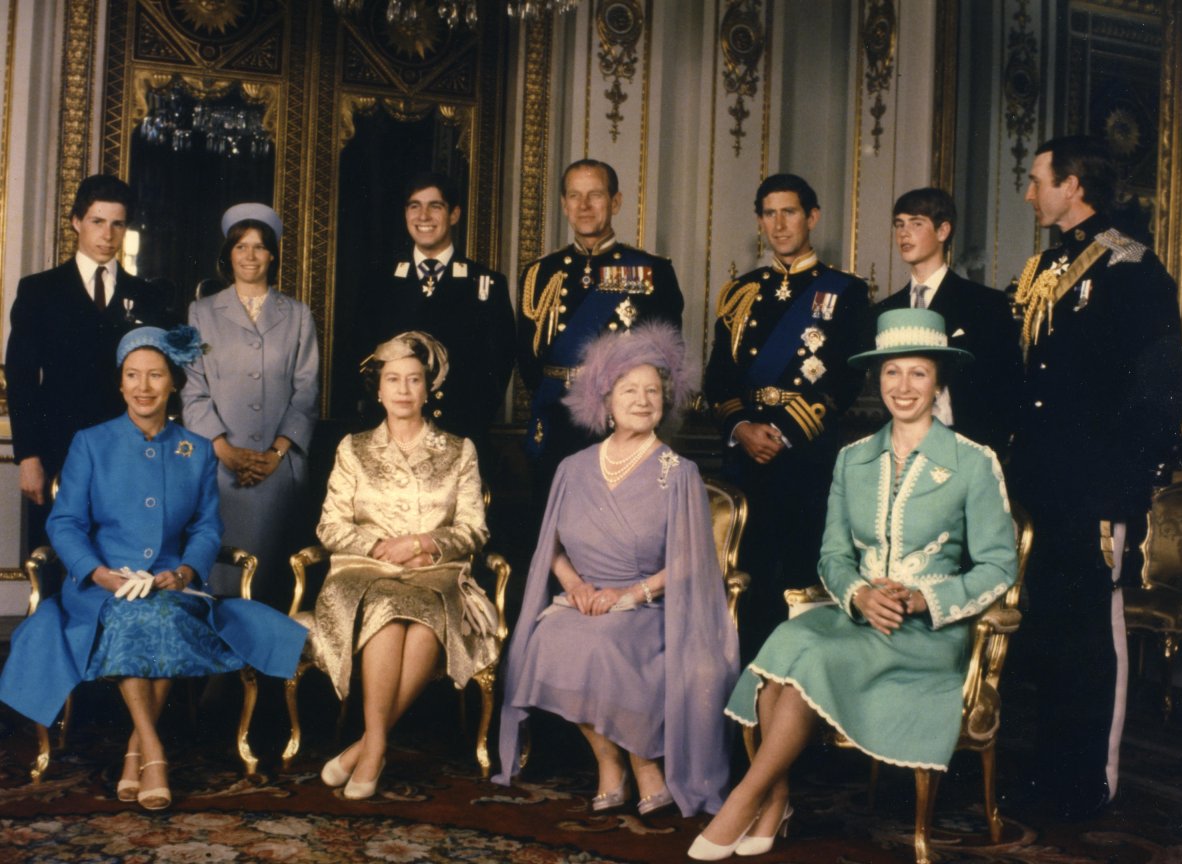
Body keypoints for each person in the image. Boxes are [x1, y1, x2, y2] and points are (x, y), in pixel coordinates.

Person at [689, 308, 1017, 860]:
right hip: (857, 617)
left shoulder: (973, 462)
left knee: (807, 660)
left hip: (927, 635)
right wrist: (860, 595)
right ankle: (775, 798)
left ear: (939, 381)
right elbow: (833, 556)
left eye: (918, 373)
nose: (903, 386)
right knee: (784, 647)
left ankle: (746, 798)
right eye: (892, 372)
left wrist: (923, 599)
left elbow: (999, 567)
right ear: (877, 379)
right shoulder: (853, 459)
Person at [0, 326, 307, 810]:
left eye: (156, 375)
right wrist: (97, 573)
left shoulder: (196, 450)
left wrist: (184, 572)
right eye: (132, 375)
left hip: (171, 585)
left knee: (162, 614)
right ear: (120, 383)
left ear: (174, 383)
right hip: (100, 588)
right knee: (134, 618)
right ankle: (154, 751)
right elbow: (65, 523)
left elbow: (206, 528)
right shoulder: (91, 443)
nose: (143, 387)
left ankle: (134, 753)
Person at [1010, 134, 1182, 819]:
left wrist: (1125, 487)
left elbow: (1158, 389)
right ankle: (1049, 774)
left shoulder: (1130, 266)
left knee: (1090, 636)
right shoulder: (1046, 267)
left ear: (1073, 185)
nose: (1030, 193)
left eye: (1038, 180)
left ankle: (1089, 784)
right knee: (1050, 633)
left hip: (1097, 488)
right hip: (1044, 485)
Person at [496, 323, 739, 818]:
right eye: (630, 390)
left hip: (652, 607)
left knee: (605, 645)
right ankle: (609, 762)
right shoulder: (573, 467)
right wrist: (576, 586)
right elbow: (551, 548)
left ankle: (643, 765)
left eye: (653, 391)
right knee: (549, 638)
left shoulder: (680, 472)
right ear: (605, 400)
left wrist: (631, 595)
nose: (643, 401)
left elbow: (691, 561)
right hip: (584, 602)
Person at [310, 331, 500, 800]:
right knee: (388, 610)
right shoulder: (353, 448)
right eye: (393, 379)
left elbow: (474, 529)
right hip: (363, 571)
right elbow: (330, 526)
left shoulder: (458, 450)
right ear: (378, 390)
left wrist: (423, 543)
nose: (403, 389)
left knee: (425, 618)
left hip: (435, 573)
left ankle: (367, 748)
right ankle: (375, 746)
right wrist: (380, 547)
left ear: (428, 388)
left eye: (413, 380)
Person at [703, 172, 870, 656]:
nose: (778, 224)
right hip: (744, 460)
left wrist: (781, 432)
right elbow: (719, 377)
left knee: (801, 579)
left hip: (805, 459)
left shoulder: (845, 291)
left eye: (789, 212)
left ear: (812, 217)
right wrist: (741, 427)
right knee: (747, 579)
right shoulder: (741, 292)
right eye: (769, 214)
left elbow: (846, 378)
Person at [7, 174, 174, 550]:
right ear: (76, 222)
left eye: (118, 224)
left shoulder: (146, 296)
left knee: (124, 561)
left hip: (129, 452)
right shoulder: (39, 290)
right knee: (55, 560)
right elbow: (21, 378)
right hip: (56, 450)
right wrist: (29, 457)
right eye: (98, 221)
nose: (107, 235)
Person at [517, 159, 683, 494]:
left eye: (595, 195)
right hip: (556, 421)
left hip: (618, 423)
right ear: (564, 204)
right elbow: (529, 360)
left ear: (615, 202)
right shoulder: (540, 273)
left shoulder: (652, 272)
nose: (584, 206)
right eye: (574, 196)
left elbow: (668, 362)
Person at [182, 204, 319, 605]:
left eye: (259, 247)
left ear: (272, 255)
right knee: (218, 584)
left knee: (270, 587)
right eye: (241, 246)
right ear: (229, 254)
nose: (250, 255)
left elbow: (307, 392)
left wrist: (276, 454)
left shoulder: (297, 315)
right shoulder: (202, 312)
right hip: (218, 469)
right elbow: (193, 389)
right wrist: (223, 450)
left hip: (277, 469)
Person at [357, 172, 515, 482]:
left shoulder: (485, 284)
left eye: (435, 206)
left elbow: (498, 369)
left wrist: (463, 426)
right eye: (414, 206)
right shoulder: (379, 281)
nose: (423, 216)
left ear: (454, 214)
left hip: (457, 433)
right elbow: (362, 357)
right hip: (391, 435)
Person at [875, 187, 1022, 458]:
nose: (904, 234)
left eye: (916, 224)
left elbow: (1007, 387)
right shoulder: (885, 310)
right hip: (901, 450)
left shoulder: (985, 304)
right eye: (899, 224)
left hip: (967, 449)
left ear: (943, 231)